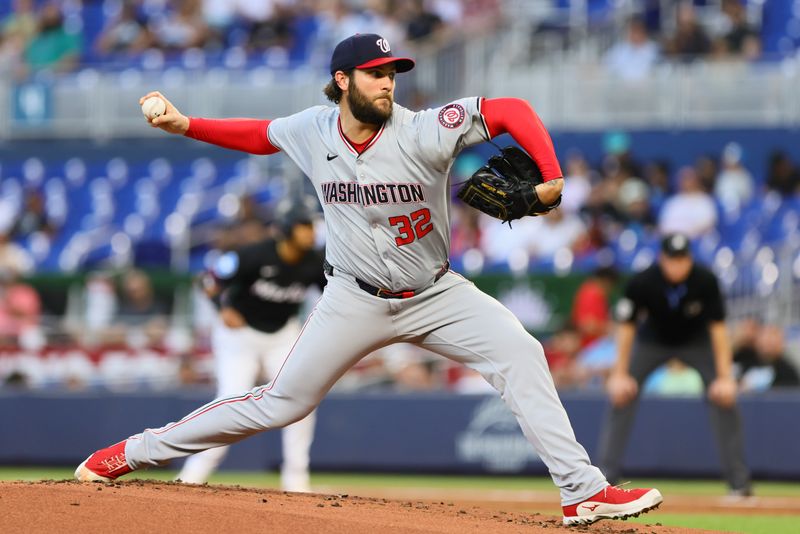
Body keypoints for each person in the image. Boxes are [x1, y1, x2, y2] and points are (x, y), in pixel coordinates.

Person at [75, 33, 661, 526]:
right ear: (343, 80)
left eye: (393, 73)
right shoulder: (312, 130)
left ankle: (581, 491)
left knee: (522, 353)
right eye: (375, 73)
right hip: (353, 297)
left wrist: (552, 175)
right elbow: (258, 135)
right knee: (281, 404)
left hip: (435, 293)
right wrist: (185, 126)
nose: (388, 83)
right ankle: (131, 453)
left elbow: (509, 111)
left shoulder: (427, 129)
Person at [176, 203, 325, 492]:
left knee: (300, 401)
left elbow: (332, 294)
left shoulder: (315, 261)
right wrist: (222, 307)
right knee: (230, 400)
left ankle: (296, 480)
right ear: (285, 230)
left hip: (282, 335)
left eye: (311, 227)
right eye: (303, 226)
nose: (310, 233)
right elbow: (208, 279)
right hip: (239, 335)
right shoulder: (253, 255)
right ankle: (193, 475)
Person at [598, 233, 751, 496]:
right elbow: (626, 329)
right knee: (621, 395)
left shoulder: (705, 280)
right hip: (653, 341)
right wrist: (619, 373)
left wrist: (725, 377)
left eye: (682, 259)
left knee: (724, 398)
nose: (677, 265)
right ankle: (605, 479)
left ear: (689, 259)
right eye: (672, 259)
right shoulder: (643, 281)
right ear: (662, 259)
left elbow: (718, 331)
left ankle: (739, 483)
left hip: (696, 342)